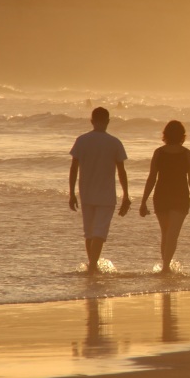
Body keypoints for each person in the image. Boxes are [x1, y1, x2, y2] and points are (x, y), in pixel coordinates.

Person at [69, 107, 130, 273]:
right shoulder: (114, 142)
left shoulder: (82, 140)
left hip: (86, 192)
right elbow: (121, 171)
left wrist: (71, 193)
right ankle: (93, 266)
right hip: (106, 194)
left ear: (91, 121)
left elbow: (73, 168)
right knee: (99, 232)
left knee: (89, 232)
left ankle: (92, 265)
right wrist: (126, 194)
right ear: (108, 121)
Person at [139, 120, 190, 274]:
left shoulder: (159, 153)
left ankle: (165, 266)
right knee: (172, 234)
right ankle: (166, 267)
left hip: (161, 196)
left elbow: (151, 178)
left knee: (166, 233)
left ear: (165, 135)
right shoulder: (187, 154)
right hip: (180, 197)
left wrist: (143, 201)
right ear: (182, 136)